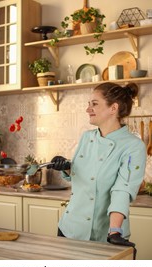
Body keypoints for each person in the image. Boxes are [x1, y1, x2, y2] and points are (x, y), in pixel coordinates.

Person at [48, 82, 147, 249]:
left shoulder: (133, 147)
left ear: (113, 108)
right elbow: (82, 174)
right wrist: (65, 166)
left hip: (105, 234)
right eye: (88, 104)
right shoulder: (87, 137)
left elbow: (122, 189)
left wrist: (115, 230)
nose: (88, 109)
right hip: (70, 229)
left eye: (94, 104)